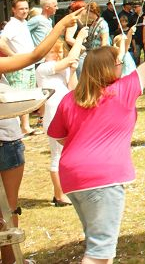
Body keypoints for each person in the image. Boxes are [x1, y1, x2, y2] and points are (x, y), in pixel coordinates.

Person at [47, 7, 145, 264]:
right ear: (109, 68)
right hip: (103, 178)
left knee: (98, 244)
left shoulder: (71, 98)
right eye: (118, 62)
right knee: (99, 253)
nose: (121, 64)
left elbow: (59, 136)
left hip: (72, 177)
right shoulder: (123, 90)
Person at [0, 7, 82, 264]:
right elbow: (35, 55)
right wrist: (61, 26)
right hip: (7, 142)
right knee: (9, 208)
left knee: (7, 209)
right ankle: (11, 261)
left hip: (8, 139)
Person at [37, 32, 87, 207]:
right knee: (57, 155)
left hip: (67, 114)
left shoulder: (62, 69)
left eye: (59, 52)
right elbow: (69, 59)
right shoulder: (42, 69)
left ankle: (67, 189)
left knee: (69, 153)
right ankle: (59, 195)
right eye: (53, 52)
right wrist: (79, 39)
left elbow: (73, 88)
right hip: (53, 116)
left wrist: (72, 71)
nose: (57, 55)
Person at [0, 0, 37, 135]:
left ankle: (25, 126)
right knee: (17, 98)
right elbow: (1, 43)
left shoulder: (24, 23)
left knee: (27, 97)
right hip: (18, 68)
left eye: (26, 8)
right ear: (14, 10)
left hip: (28, 65)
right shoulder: (12, 25)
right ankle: (15, 130)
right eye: (21, 9)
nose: (24, 11)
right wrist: (13, 56)